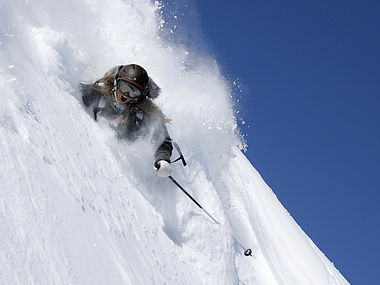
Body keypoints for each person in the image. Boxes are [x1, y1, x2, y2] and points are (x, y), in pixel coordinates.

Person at [79, 64, 173, 177]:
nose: (124, 95)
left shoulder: (143, 114)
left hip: (121, 167)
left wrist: (162, 159)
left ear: (140, 96)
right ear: (116, 82)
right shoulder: (97, 94)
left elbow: (163, 139)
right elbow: (71, 89)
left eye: (133, 92)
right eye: (123, 87)